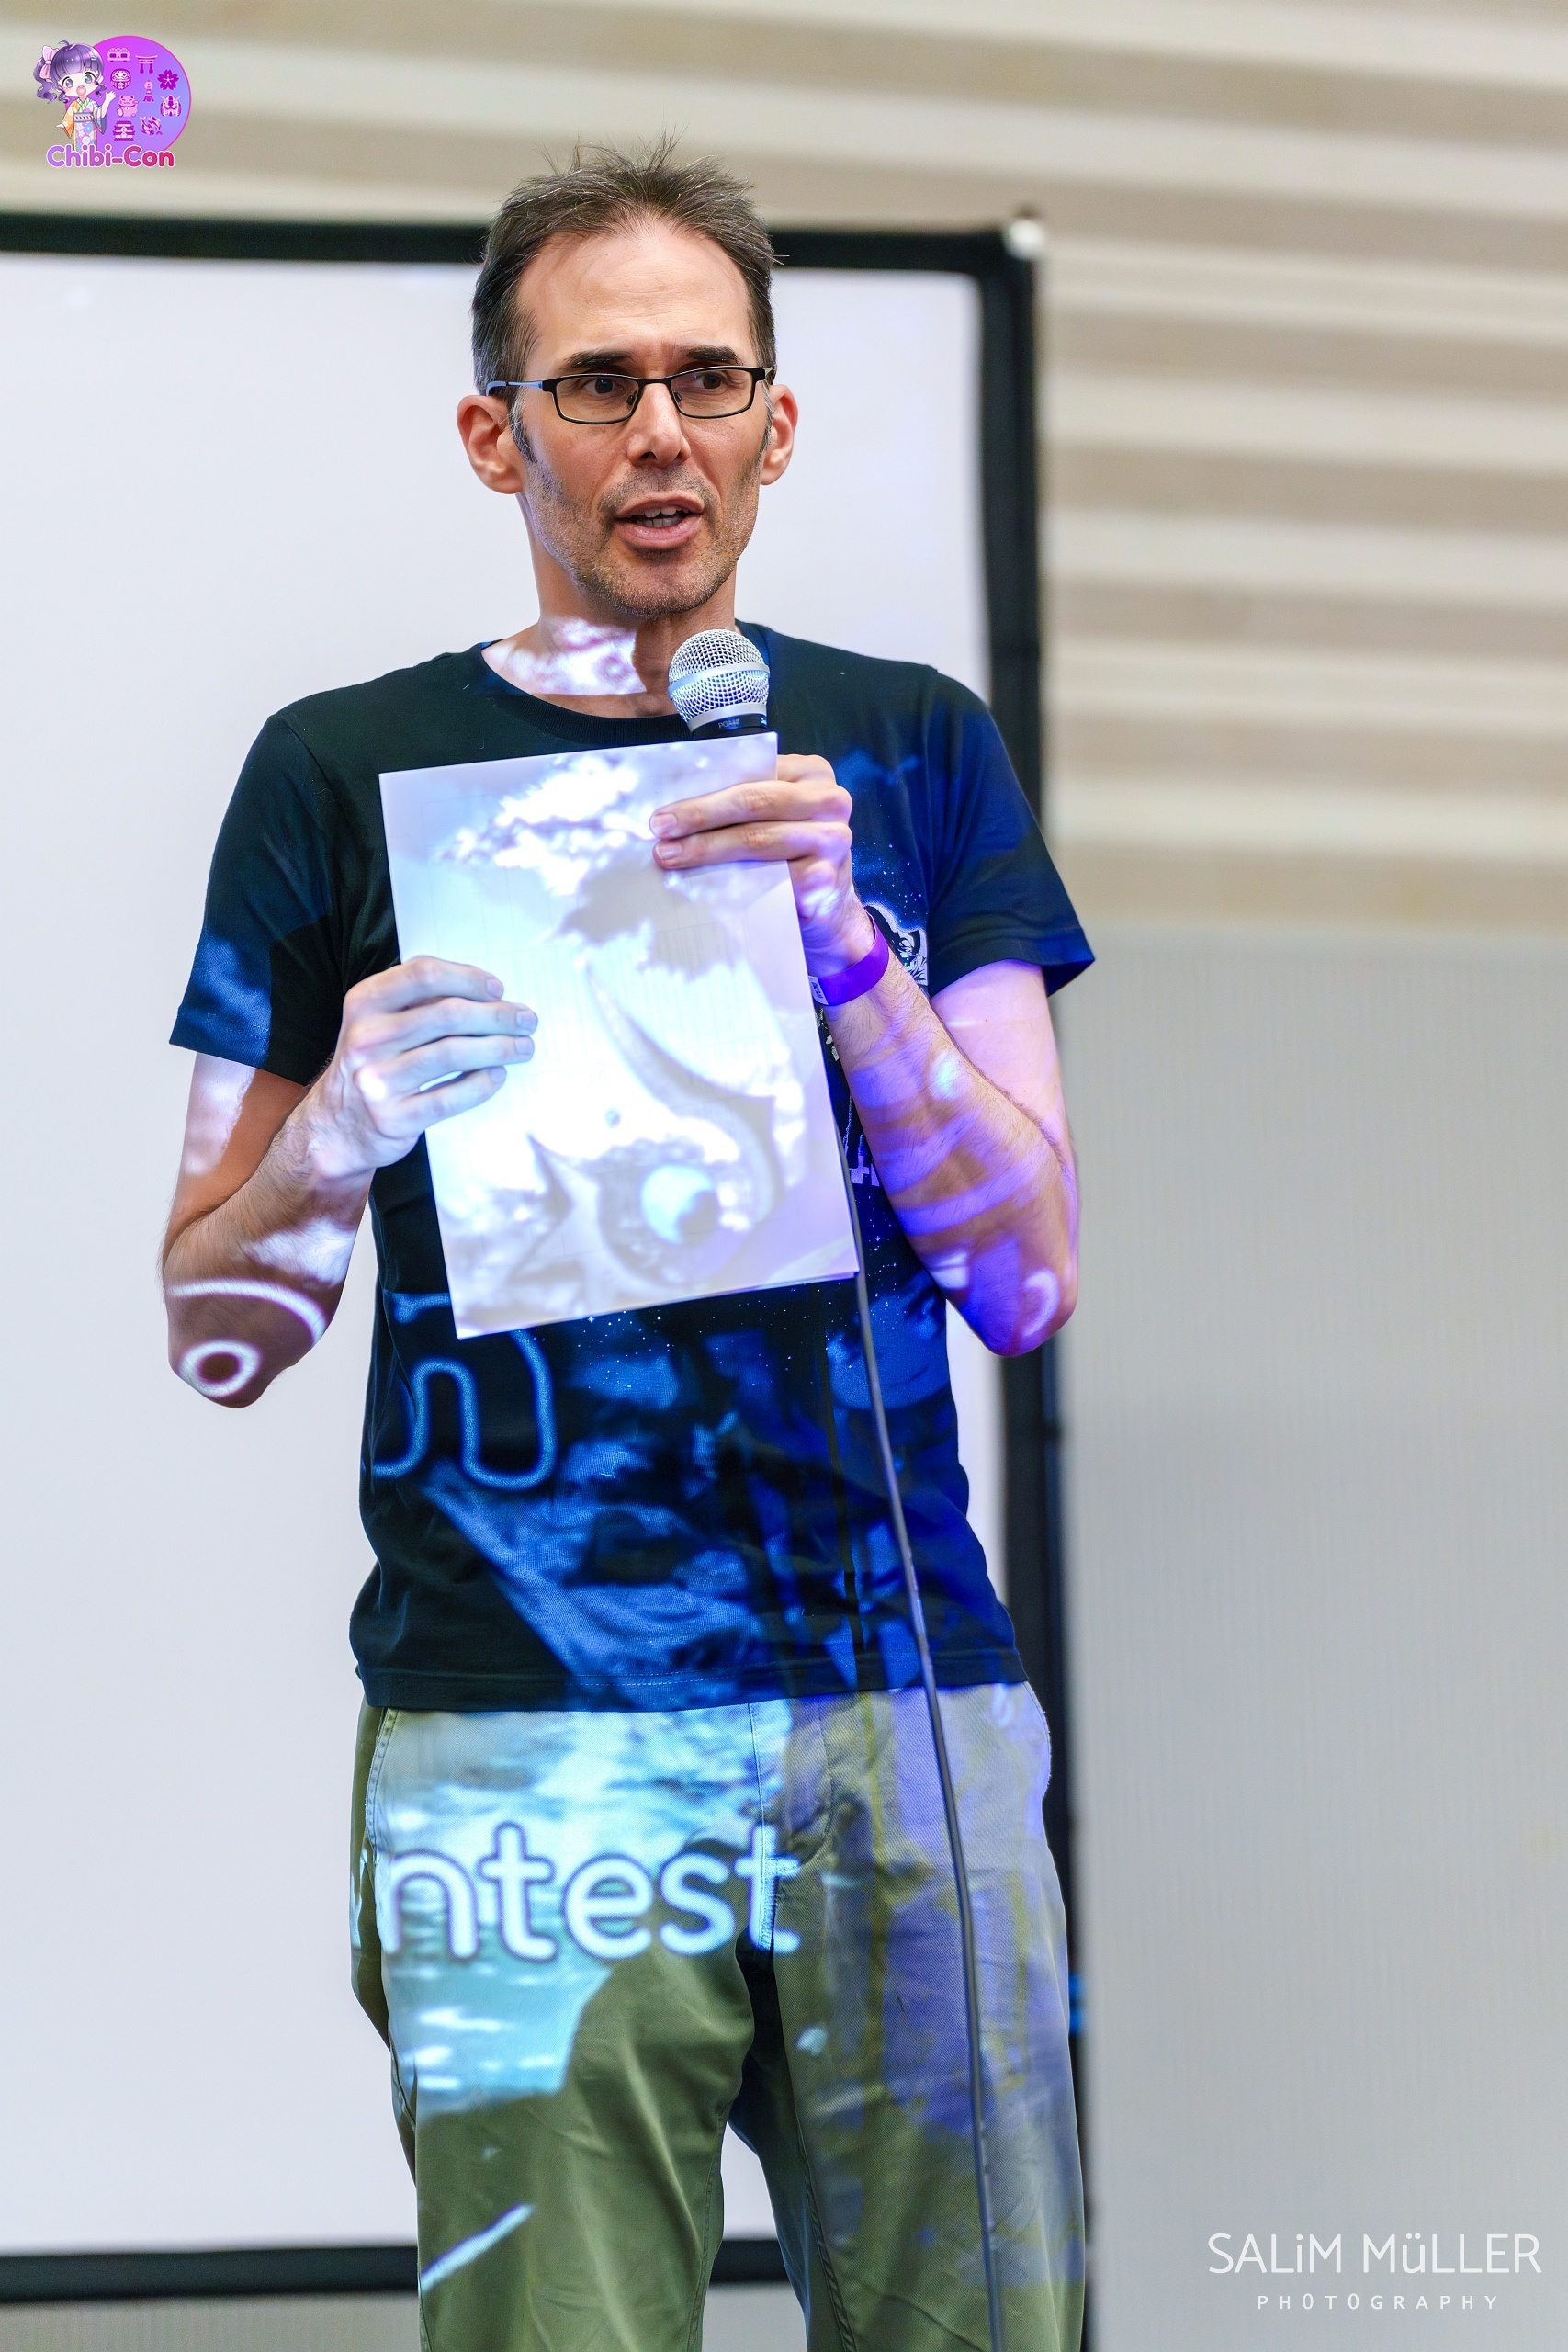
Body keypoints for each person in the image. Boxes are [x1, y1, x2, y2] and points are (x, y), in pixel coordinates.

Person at [164, 140, 1091, 2352]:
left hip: (898, 1706)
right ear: (497, 435)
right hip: (518, 1721)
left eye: (705, 379)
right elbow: (213, 1326)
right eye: (595, 385)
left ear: (778, 423)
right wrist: (333, 1131)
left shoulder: (909, 750)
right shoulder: (338, 770)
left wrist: (848, 955)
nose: (657, 431)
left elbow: (1026, 1274)